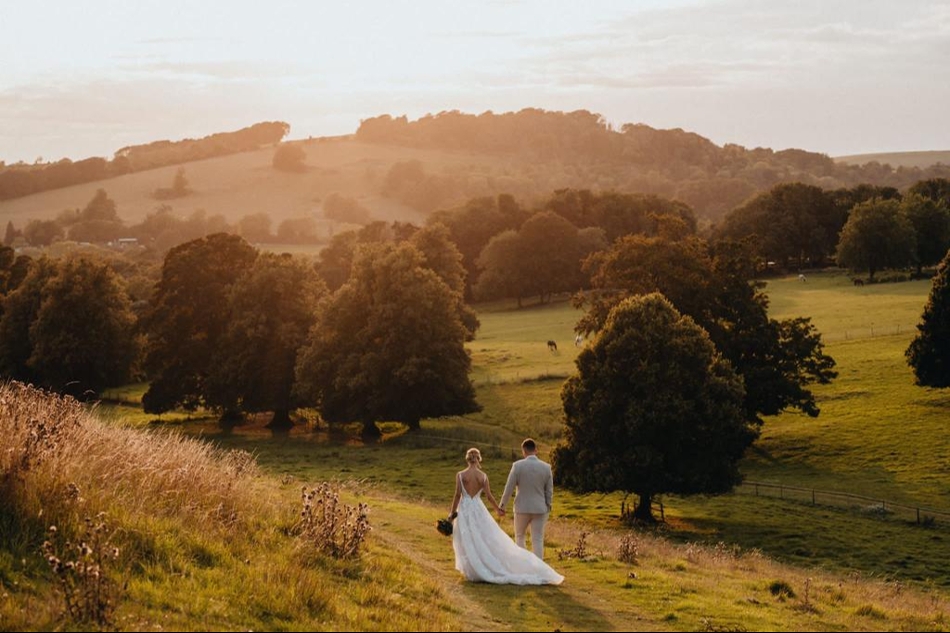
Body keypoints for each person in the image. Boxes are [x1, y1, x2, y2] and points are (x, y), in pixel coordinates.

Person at [448, 447, 563, 585]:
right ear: (478, 459)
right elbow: (489, 497)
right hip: (478, 508)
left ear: (467, 459)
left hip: (465, 509)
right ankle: (485, 566)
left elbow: (457, 495)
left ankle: (472, 569)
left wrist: (452, 513)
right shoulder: (483, 476)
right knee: (483, 537)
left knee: (467, 538)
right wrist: (498, 509)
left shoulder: (460, 475)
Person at [499, 438, 553, 560]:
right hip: (540, 508)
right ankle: (539, 569)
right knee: (538, 539)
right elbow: (549, 491)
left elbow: (509, 488)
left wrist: (502, 506)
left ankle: (523, 565)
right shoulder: (546, 467)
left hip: (521, 508)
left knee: (519, 537)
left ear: (524, 451)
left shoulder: (517, 466)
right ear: (536, 450)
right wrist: (548, 506)